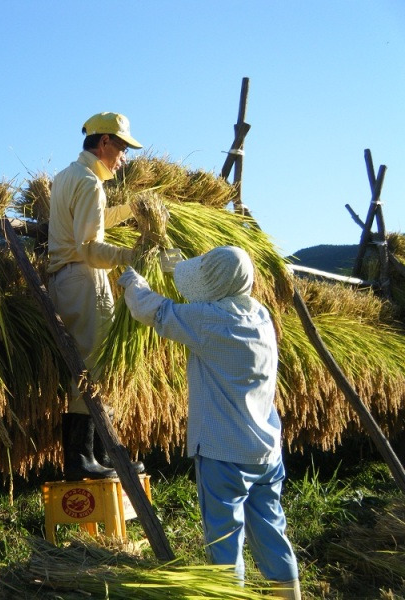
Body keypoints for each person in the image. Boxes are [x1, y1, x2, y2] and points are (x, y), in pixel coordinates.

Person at [117, 246, 301, 600]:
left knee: (224, 541)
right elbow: (213, 295)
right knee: (271, 530)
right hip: (265, 453)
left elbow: (153, 310)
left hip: (223, 455)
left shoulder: (208, 321)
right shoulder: (260, 316)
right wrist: (177, 271)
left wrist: (133, 283)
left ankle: (229, 594)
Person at [46, 112, 145, 480]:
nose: (123, 157)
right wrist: (129, 256)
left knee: (86, 363)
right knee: (91, 366)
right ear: (104, 143)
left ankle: (99, 455)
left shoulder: (68, 176)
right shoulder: (89, 183)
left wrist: (133, 211)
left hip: (67, 279)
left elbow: (92, 218)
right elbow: (89, 246)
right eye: (121, 148)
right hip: (84, 277)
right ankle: (82, 457)